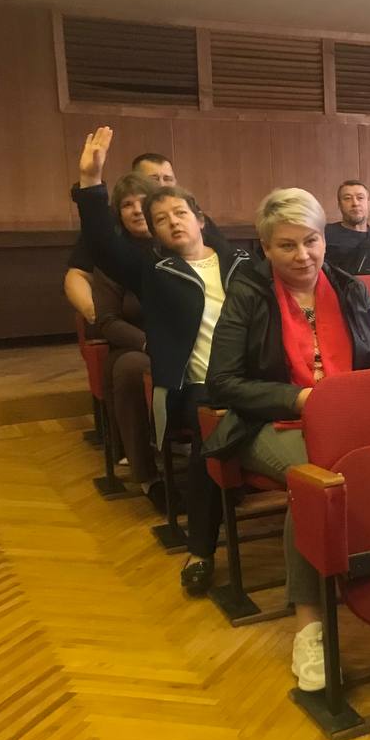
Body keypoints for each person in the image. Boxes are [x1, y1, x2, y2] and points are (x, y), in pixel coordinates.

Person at [203, 187, 370, 690]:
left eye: (311, 241)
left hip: (348, 424)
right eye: (286, 245)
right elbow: (222, 383)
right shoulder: (249, 292)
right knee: (317, 480)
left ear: (324, 238)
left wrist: (353, 405)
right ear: (266, 248)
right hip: (267, 424)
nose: (302, 255)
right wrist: (299, 399)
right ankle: (310, 626)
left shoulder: (350, 289)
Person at [74, 126, 250, 596]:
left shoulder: (241, 263)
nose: (172, 222)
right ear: (153, 233)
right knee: (211, 434)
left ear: (200, 219)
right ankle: (201, 550)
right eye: (160, 219)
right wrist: (91, 183)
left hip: (251, 383)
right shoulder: (155, 272)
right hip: (197, 388)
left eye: (180, 213)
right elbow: (102, 245)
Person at [64, 150, 224, 322]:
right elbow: (81, 270)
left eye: (168, 179)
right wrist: (96, 314)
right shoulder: (116, 238)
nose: (162, 185)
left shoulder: (195, 228)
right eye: (154, 179)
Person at [90, 171, 164, 508]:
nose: (136, 210)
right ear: (118, 214)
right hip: (135, 346)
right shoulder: (112, 260)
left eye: (142, 202)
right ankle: (146, 474)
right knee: (133, 368)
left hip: (186, 341)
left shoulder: (177, 248)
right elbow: (107, 321)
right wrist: (149, 343)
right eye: (127, 205)